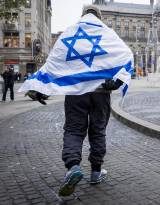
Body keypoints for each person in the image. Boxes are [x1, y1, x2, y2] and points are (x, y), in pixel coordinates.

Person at [32, 6, 126, 197]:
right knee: (98, 130)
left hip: (76, 92)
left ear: (82, 16)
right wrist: (115, 83)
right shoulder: (108, 34)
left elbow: (55, 61)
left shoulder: (72, 32)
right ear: (100, 17)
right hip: (101, 91)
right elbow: (124, 57)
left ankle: (73, 166)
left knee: (74, 129)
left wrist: (41, 88)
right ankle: (96, 172)